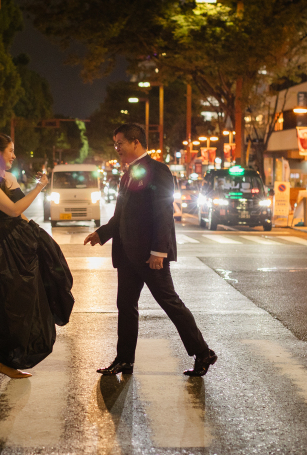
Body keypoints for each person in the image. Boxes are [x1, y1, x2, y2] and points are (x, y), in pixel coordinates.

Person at [84, 123, 216, 377]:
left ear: (136, 142)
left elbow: (164, 213)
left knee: (170, 303)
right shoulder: (126, 175)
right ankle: (124, 360)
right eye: (115, 144)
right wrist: (101, 234)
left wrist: (158, 251)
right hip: (127, 254)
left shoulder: (159, 171)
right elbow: (119, 217)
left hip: (149, 256)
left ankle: (203, 352)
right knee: (126, 305)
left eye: (120, 143)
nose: (117, 148)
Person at [0, 133, 75, 379]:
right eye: (11, 151)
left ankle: (13, 357)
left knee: (29, 302)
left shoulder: (10, 178)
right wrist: (39, 187)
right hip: (0, 249)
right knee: (7, 305)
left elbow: (21, 217)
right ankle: (3, 361)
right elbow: (14, 210)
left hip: (20, 246)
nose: (14, 156)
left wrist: (37, 236)